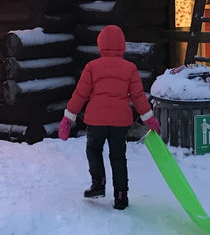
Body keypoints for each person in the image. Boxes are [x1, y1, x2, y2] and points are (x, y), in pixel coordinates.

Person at [59, 24, 160, 210]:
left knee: (93, 150)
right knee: (118, 158)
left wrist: (68, 118)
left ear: (100, 45)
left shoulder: (92, 67)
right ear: (122, 45)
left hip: (96, 121)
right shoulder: (130, 68)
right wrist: (149, 118)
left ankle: (98, 183)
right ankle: (121, 196)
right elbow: (138, 97)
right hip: (120, 122)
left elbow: (80, 94)